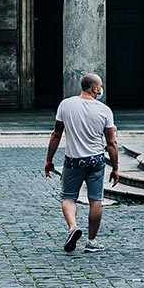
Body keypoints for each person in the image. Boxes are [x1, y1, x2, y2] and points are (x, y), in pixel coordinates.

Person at [44, 73, 120, 253]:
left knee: (68, 197)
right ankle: (91, 241)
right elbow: (111, 143)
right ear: (94, 89)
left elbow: (56, 134)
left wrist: (49, 160)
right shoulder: (104, 110)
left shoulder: (66, 105)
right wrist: (115, 168)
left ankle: (72, 227)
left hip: (73, 160)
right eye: (100, 86)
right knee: (96, 200)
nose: (101, 89)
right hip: (96, 160)